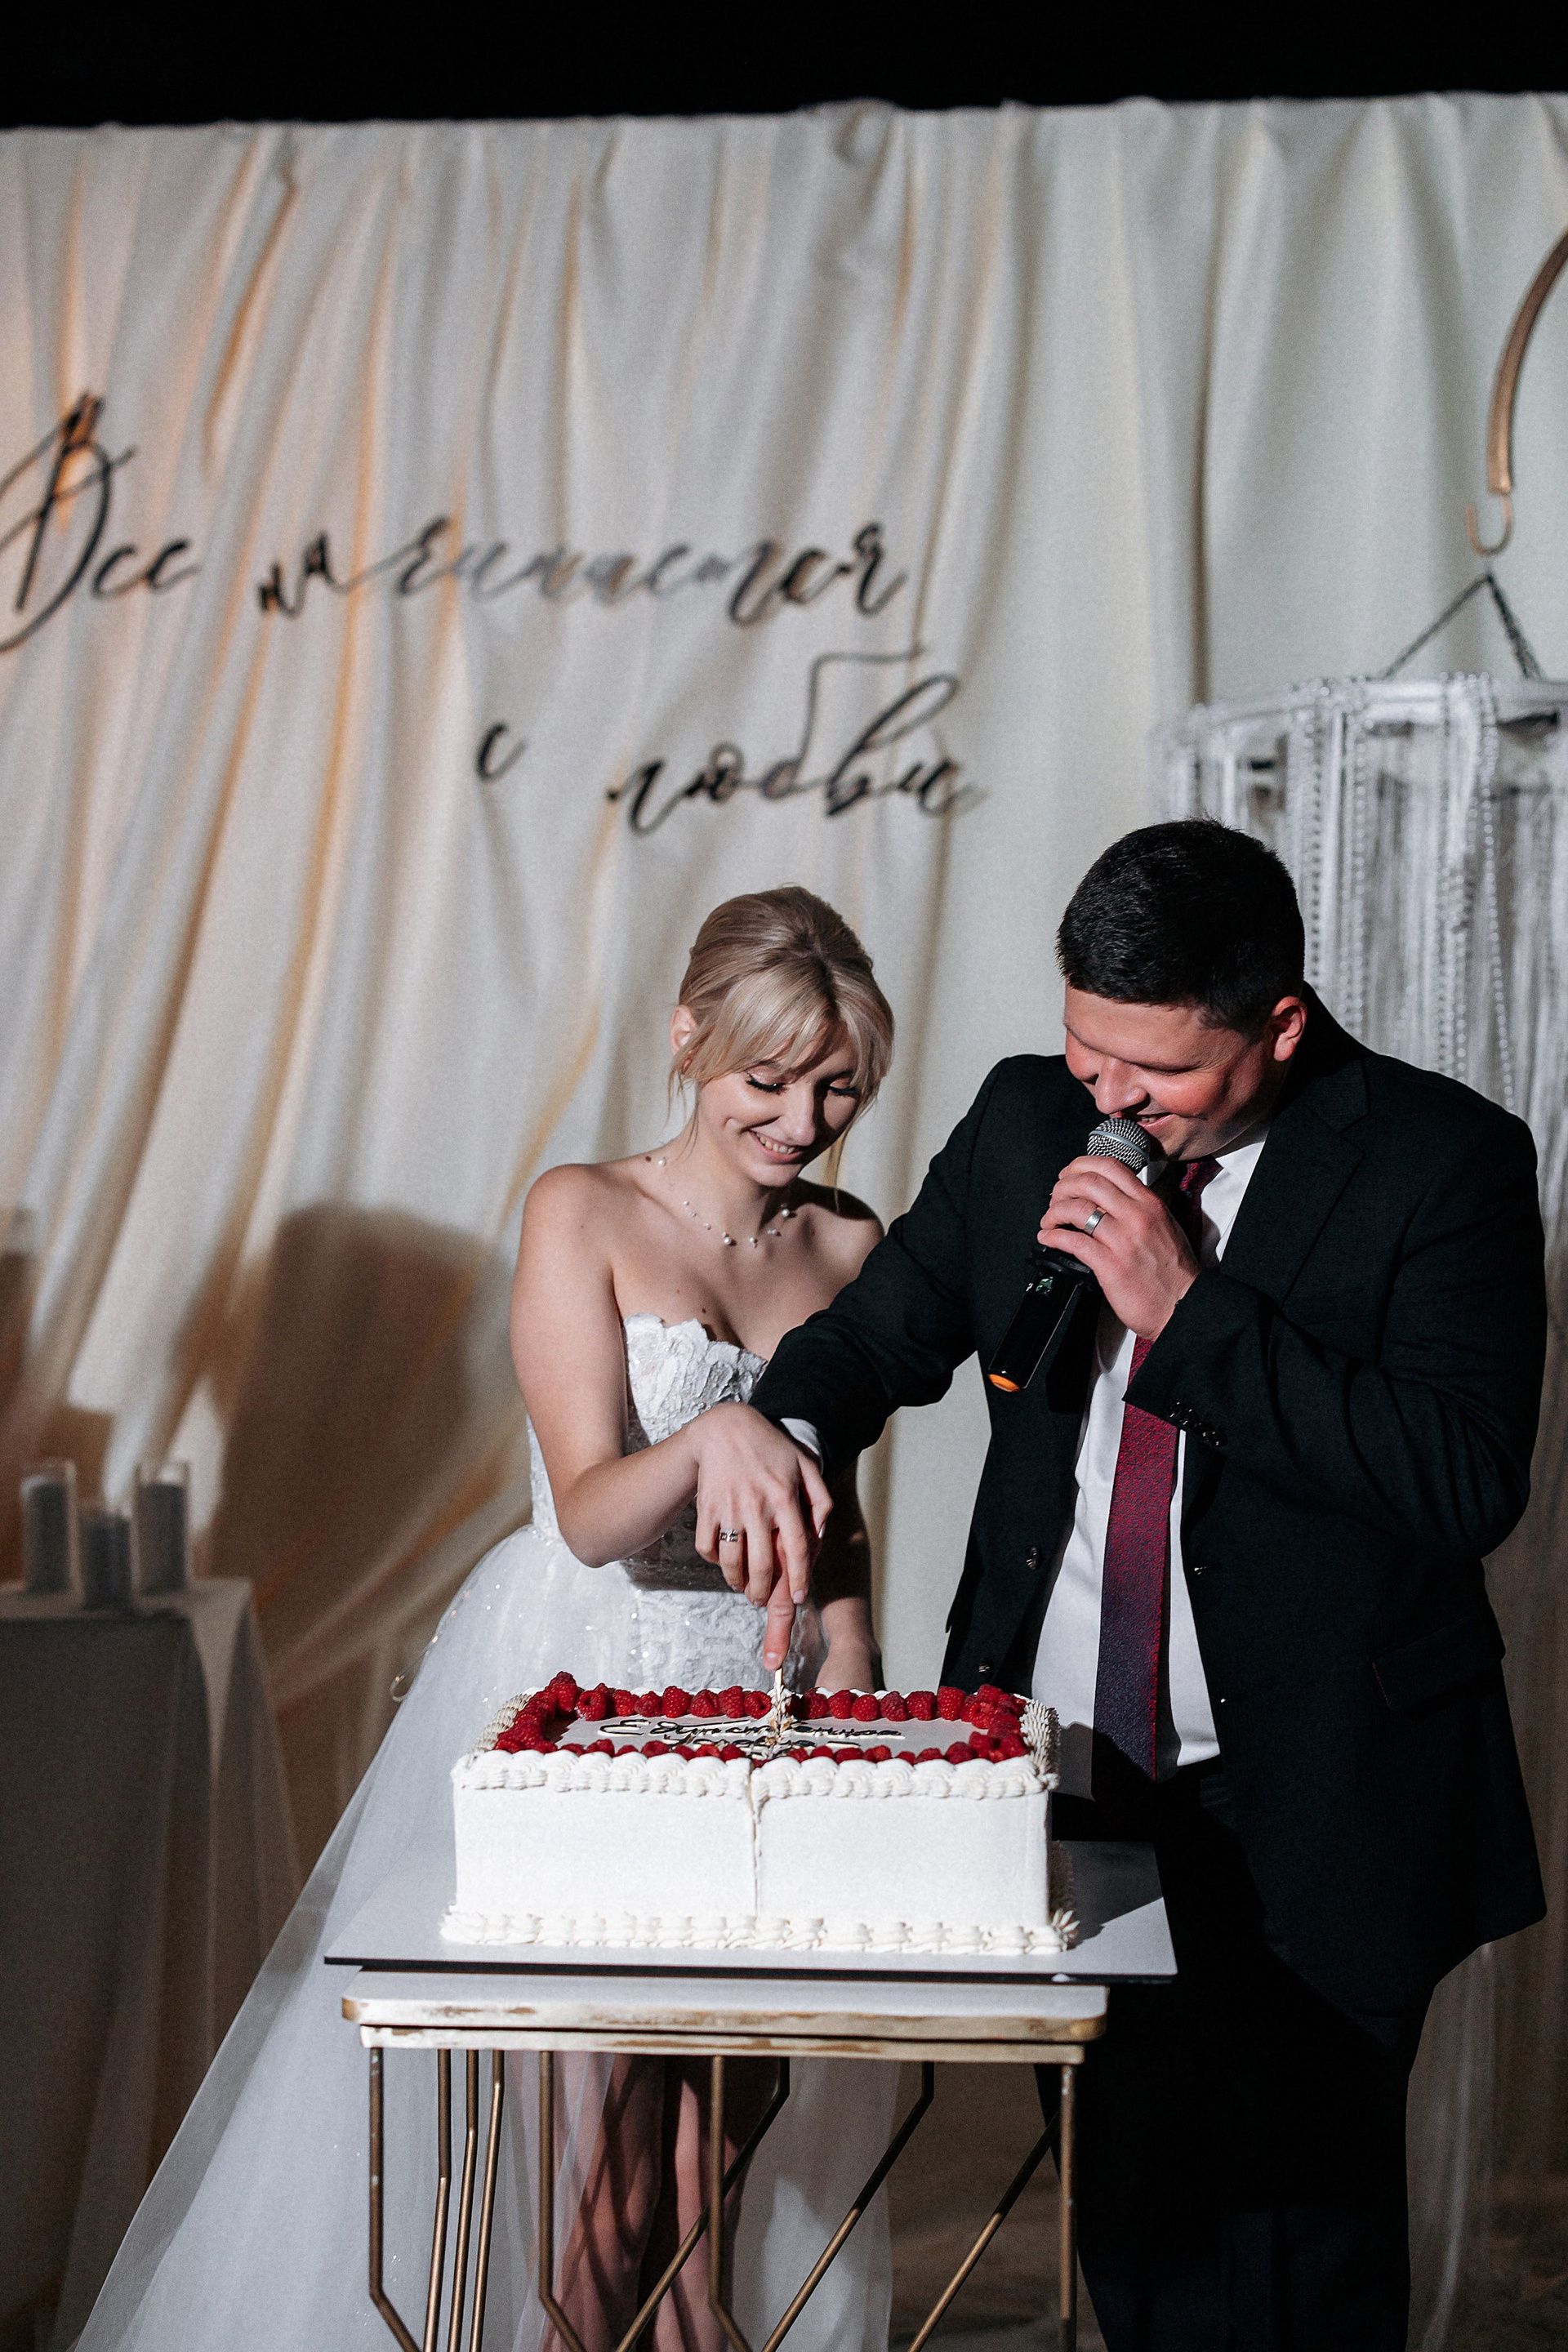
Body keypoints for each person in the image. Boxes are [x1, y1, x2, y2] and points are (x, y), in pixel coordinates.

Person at [693, 821, 1548, 2351]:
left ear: (1280, 1023)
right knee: (1135, 2230)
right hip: (1066, 1772)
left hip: (1323, 1794)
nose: (1112, 1099)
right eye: (1091, 1050)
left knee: (1300, 2256)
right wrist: (781, 1421)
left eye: (1158, 1071)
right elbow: (883, 1332)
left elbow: (1464, 1480)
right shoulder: (1031, 1113)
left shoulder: (1445, 1158)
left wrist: (1189, 1310)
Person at [79, 885, 898, 2352]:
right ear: (689, 1040)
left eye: (837, 1088)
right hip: (591, 1692)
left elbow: (832, 1520)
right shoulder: (584, 1209)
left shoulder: (851, 1245)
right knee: (607, 2192)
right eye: (769, 1080)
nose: (802, 1121)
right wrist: (716, 1436)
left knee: (724, 2150)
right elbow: (588, 1510)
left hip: (767, 1712)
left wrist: (852, 1665)